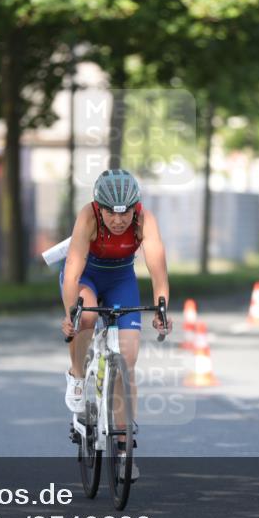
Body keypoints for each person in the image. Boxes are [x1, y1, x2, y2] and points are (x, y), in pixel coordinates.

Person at [60, 169, 172, 480]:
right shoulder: (88, 218)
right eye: (110, 212)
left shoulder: (144, 220)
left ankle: (123, 449)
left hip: (121, 279)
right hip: (86, 278)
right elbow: (71, 273)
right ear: (99, 207)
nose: (118, 221)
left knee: (128, 358)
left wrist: (161, 306)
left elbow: (157, 265)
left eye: (124, 213)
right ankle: (78, 374)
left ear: (135, 207)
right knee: (88, 316)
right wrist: (70, 314)